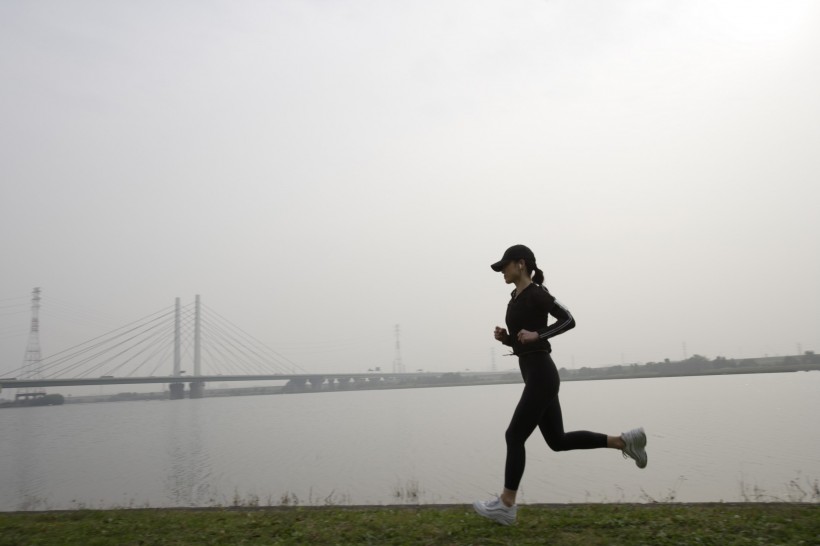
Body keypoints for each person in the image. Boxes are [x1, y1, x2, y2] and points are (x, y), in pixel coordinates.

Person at [473, 244, 647, 526]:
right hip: (535, 374)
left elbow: (568, 320)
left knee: (514, 436)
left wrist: (538, 334)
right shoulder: (515, 298)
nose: (501, 271)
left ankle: (506, 503)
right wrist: (506, 339)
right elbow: (524, 340)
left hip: (542, 375)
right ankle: (624, 441)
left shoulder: (536, 293)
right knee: (558, 441)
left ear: (520, 264)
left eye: (504, 265)